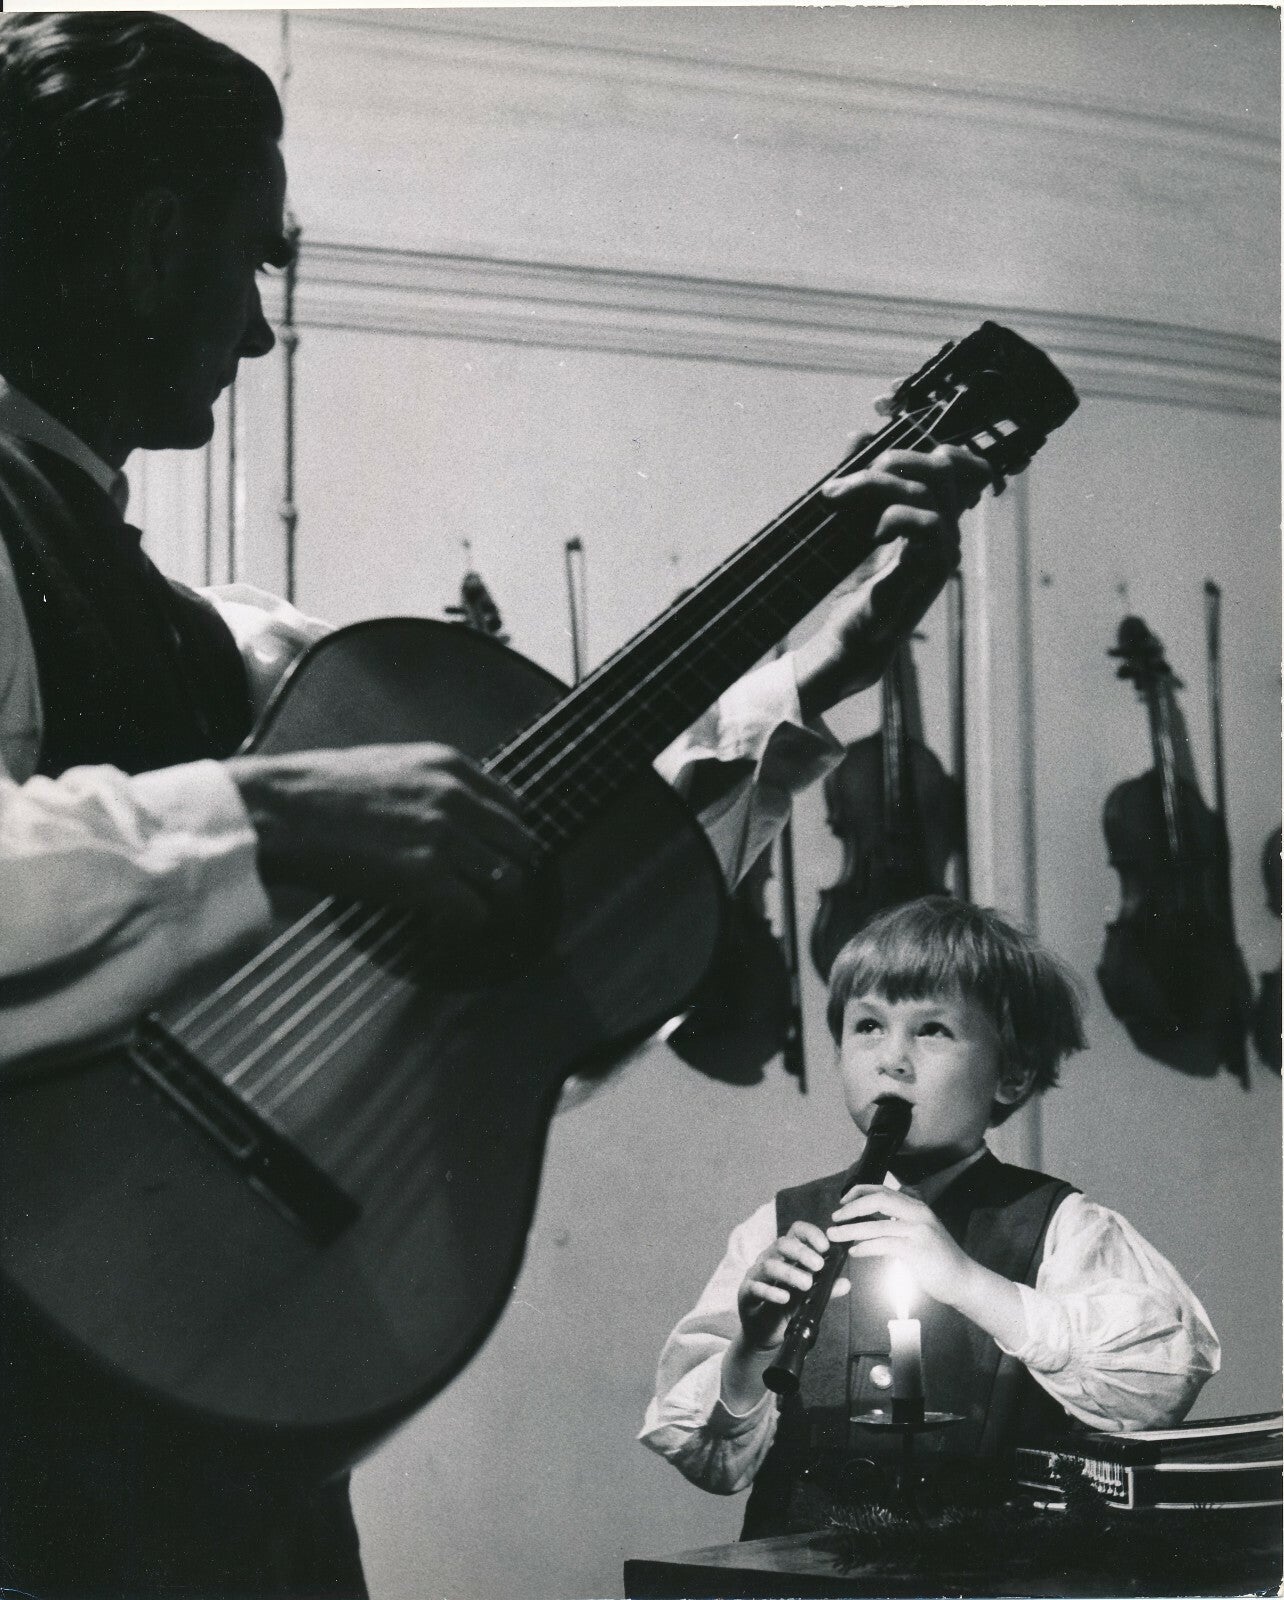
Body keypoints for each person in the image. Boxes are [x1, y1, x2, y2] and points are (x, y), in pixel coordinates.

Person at [0, 12, 995, 1596]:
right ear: (148, 239)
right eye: (252, 265)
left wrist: (804, 674)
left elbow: (521, 869)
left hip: (209, 1400)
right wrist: (265, 821)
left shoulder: (190, 625)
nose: (258, 333)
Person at [640, 896, 1221, 1538]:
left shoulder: (1065, 1226)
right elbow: (710, 1460)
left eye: (932, 1030)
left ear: (1013, 1074)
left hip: (998, 1574)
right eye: (867, 1027)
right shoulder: (779, 1226)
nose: (893, 1059)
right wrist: (752, 1347)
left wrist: (969, 1283)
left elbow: (1160, 1384)